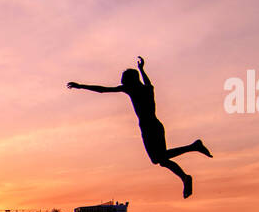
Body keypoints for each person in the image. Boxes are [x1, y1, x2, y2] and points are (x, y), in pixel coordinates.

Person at [67, 56, 211, 198]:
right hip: (155, 125)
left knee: (158, 159)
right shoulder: (148, 88)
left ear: (130, 80)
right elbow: (147, 82)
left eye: (123, 79)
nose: (121, 81)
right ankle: (185, 176)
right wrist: (142, 69)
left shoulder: (131, 89)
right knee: (161, 159)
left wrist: (81, 86)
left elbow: (103, 90)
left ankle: (193, 149)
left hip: (149, 127)